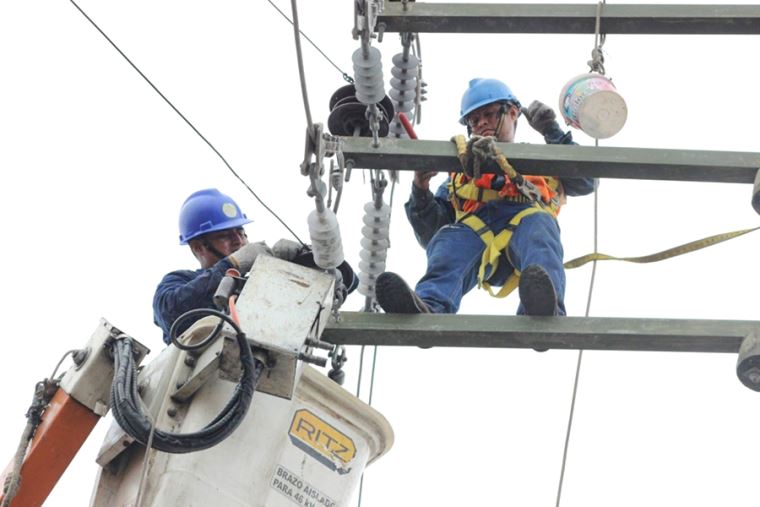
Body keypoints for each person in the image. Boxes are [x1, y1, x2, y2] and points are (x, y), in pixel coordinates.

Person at [375, 78, 596, 317]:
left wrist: (551, 130)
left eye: (489, 114)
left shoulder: (538, 161)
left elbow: (585, 182)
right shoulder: (462, 175)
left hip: (526, 242)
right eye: (474, 120)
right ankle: (431, 305)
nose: (481, 123)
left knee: (540, 227)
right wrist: (421, 188)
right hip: (477, 241)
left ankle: (543, 308)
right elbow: (432, 233)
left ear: (512, 113)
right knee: (450, 239)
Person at [152, 188, 302, 344]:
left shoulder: (256, 286)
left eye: (241, 232)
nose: (238, 241)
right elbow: (171, 314)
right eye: (224, 236)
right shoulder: (178, 280)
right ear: (197, 247)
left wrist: (291, 270)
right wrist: (231, 265)